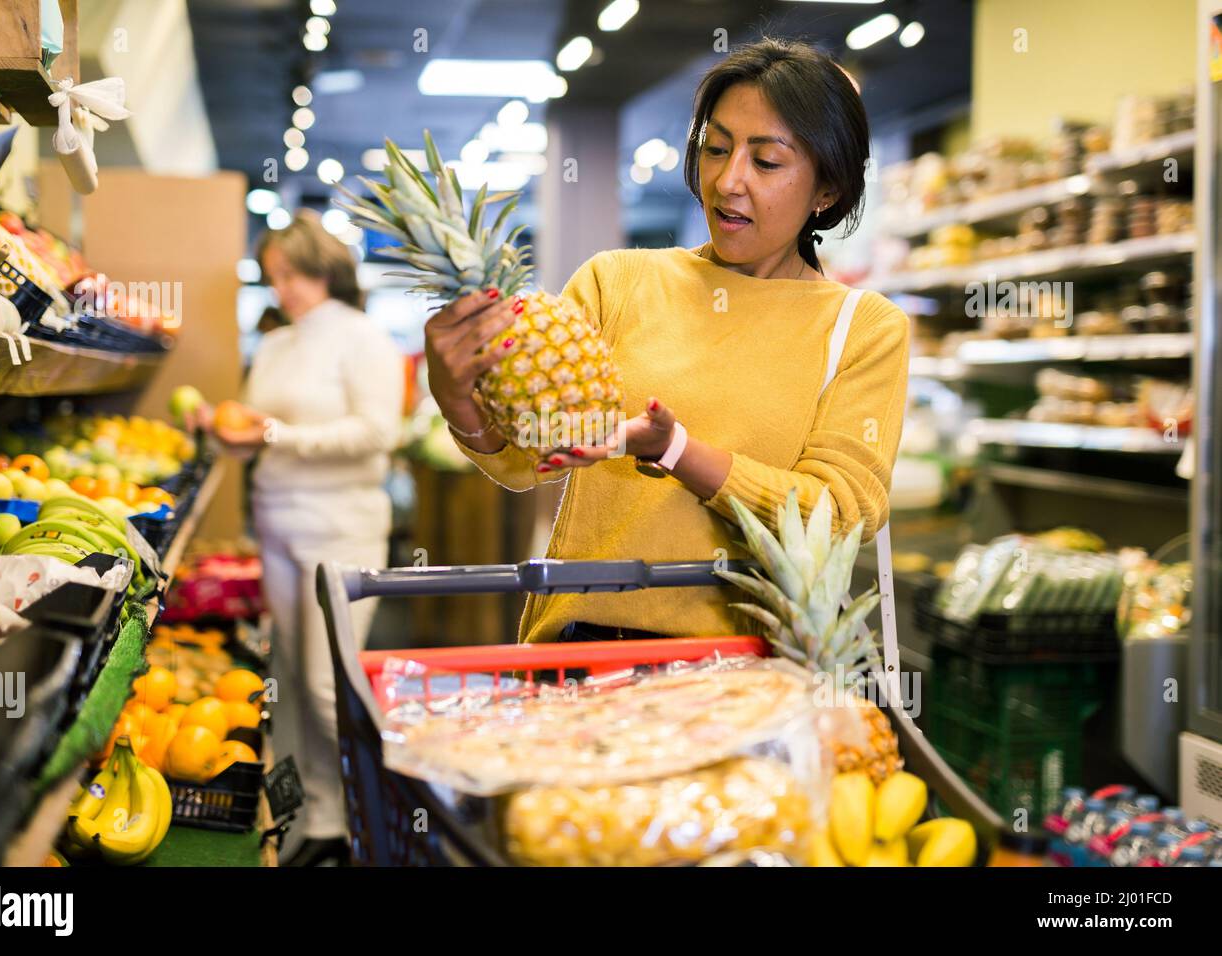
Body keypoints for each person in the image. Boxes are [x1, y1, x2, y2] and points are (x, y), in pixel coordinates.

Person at [428, 38, 910, 644]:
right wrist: (457, 395)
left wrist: (678, 452)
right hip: (585, 646)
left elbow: (839, 514)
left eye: (766, 163)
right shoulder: (618, 282)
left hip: (748, 666)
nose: (729, 181)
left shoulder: (863, 327)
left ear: (827, 190)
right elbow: (528, 457)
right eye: (716, 148)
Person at [215, 209, 404, 864]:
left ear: (324, 268)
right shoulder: (274, 344)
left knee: (332, 689)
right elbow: (255, 433)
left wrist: (273, 434)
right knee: (292, 681)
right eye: (274, 276)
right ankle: (320, 823)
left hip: (340, 532)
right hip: (277, 523)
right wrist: (228, 436)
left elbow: (378, 434)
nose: (283, 288)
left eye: (292, 273)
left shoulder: (362, 340)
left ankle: (395, 814)